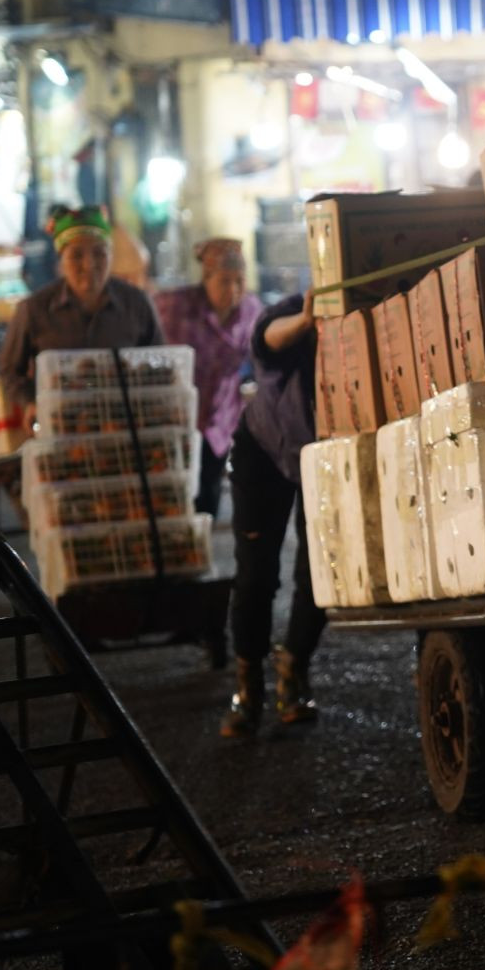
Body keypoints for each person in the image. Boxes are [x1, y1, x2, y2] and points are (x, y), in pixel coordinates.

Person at [219, 295, 324, 738]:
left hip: (322, 457)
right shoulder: (298, 309)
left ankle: (293, 670)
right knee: (257, 575)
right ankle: (248, 684)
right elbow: (265, 339)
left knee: (320, 572)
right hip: (263, 451)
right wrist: (306, 318)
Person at [0, 206, 165, 410]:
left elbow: (159, 363)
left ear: (111, 257)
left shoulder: (137, 303)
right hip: (61, 422)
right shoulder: (34, 310)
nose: (89, 265)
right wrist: (31, 403)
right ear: (61, 262)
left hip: (125, 424)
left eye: (99, 253)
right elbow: (9, 371)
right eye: (76, 255)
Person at [156, 238, 262, 515]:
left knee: (208, 497)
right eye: (224, 280)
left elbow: (258, 357)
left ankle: (201, 550)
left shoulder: (251, 311)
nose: (234, 289)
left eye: (240, 280)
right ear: (206, 278)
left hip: (219, 422)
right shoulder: (176, 306)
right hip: (176, 419)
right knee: (174, 498)